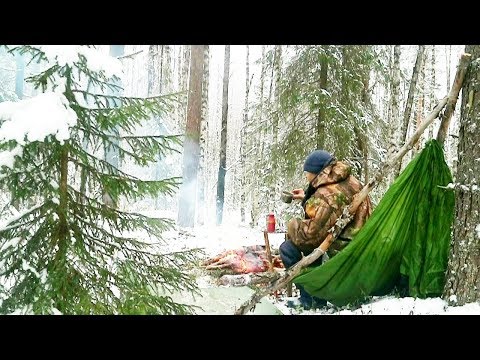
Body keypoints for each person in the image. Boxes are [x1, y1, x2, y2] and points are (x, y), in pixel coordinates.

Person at [280, 149, 372, 310]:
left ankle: (311, 298)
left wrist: (293, 225)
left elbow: (310, 236)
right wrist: (307, 197)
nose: (306, 177)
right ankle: (314, 296)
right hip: (361, 236)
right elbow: (335, 208)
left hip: (346, 245)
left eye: (307, 173)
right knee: (310, 242)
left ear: (317, 173)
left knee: (288, 248)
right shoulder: (349, 180)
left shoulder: (326, 195)